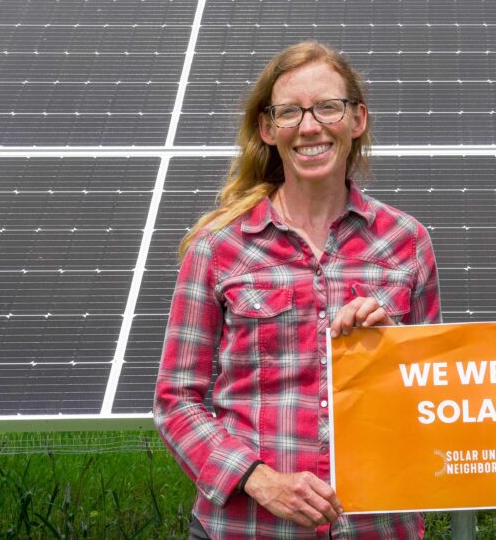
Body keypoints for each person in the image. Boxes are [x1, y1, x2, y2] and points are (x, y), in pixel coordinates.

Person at [155, 41, 440, 539]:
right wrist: (257, 479)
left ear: (357, 120)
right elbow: (176, 400)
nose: (310, 127)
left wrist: (393, 346)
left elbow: (435, 398)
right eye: (290, 112)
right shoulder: (218, 248)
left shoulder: (406, 243)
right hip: (248, 528)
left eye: (328, 107)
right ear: (268, 129)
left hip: (375, 526)